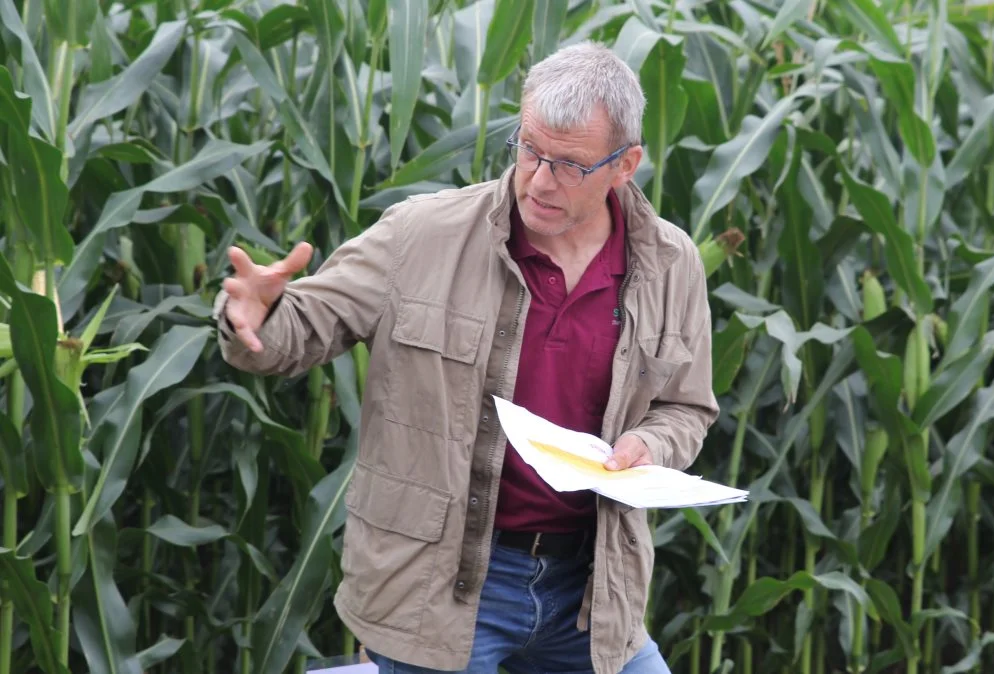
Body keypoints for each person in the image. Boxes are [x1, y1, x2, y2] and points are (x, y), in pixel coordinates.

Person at [213, 41, 718, 673]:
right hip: (440, 585)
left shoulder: (670, 264)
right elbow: (305, 328)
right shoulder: (420, 234)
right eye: (530, 149)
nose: (538, 180)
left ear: (626, 165)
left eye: (568, 165)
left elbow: (686, 407)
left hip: (592, 591)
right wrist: (254, 317)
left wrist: (651, 446)